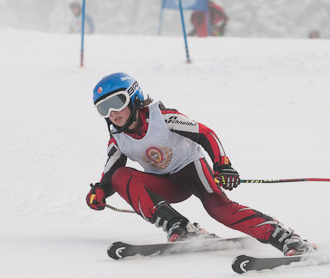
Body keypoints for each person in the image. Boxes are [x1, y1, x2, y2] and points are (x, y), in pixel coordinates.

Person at [86, 73, 316, 256]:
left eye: (117, 102)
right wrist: (100, 191)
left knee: (220, 210)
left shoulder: (162, 117)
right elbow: (111, 174)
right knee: (122, 177)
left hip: (192, 170)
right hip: (166, 185)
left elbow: (206, 134)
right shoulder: (118, 137)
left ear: (134, 97)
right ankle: (180, 227)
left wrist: (222, 165)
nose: (112, 113)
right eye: (103, 108)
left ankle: (285, 237)